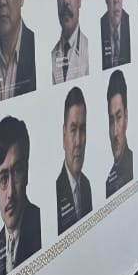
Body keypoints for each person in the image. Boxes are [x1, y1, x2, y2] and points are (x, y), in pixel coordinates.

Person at [0, 116, 41, 275]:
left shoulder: (41, 225)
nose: (10, 192)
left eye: (17, 172)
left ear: (27, 173)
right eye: (3, 178)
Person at [57, 87, 91, 233]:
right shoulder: (56, 191)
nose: (78, 141)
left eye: (82, 129)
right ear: (64, 135)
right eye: (73, 130)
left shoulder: (87, 186)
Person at [105, 70, 134, 197]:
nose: (115, 132)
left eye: (119, 117)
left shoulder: (133, 164)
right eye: (111, 120)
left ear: (126, 117)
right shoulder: (108, 183)